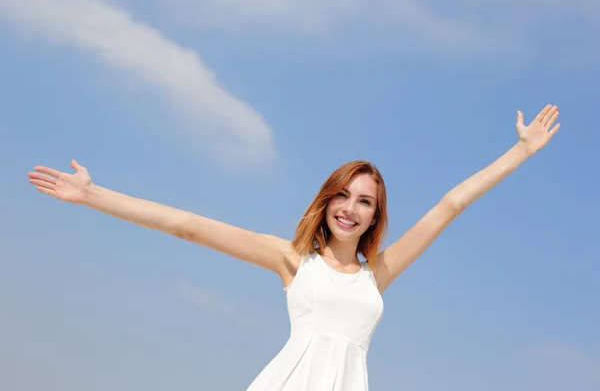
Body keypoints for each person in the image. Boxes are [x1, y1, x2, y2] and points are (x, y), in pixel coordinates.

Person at [27, 105, 561, 390]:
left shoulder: (379, 273)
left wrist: (520, 152)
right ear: (327, 202)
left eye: (366, 202)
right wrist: (95, 196)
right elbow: (186, 224)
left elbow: (450, 204)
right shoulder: (291, 260)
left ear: (377, 216)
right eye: (343, 196)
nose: (351, 208)